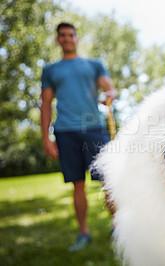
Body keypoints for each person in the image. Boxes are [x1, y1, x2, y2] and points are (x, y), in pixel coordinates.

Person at [40, 22, 117, 251]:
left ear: (77, 38)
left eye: (70, 35)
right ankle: (84, 232)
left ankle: (118, 227)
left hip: (93, 128)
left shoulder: (93, 65)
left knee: (108, 180)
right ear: (57, 40)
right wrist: (46, 137)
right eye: (61, 35)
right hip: (65, 131)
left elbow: (109, 88)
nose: (66, 38)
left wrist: (109, 95)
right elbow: (45, 105)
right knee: (77, 184)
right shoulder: (51, 70)